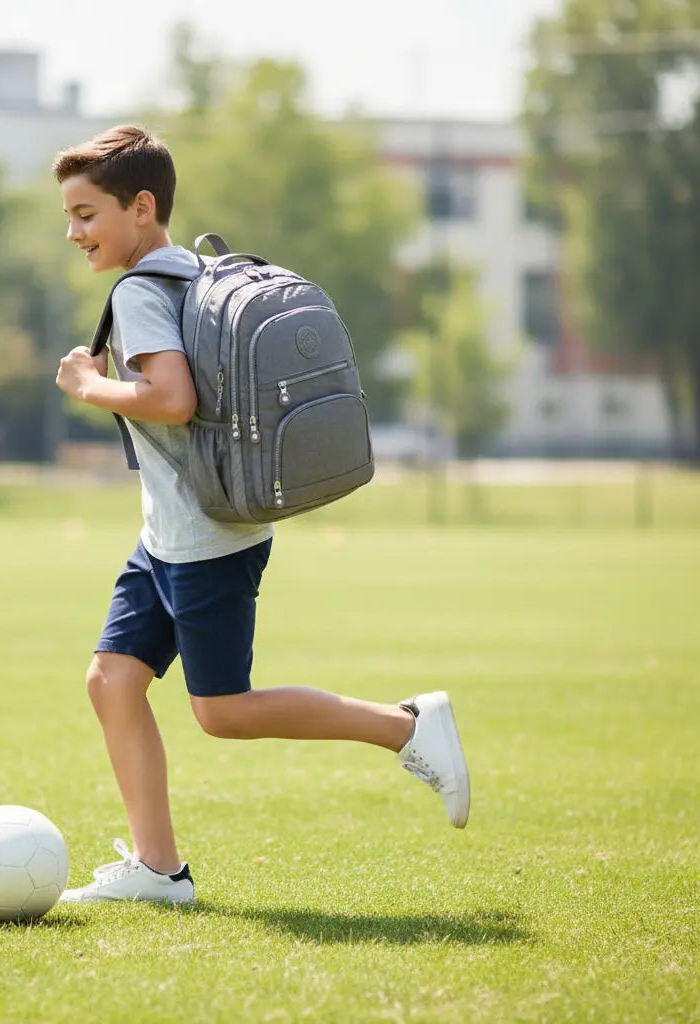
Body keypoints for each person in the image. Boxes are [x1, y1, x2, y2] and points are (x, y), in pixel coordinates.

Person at [52, 125, 469, 905]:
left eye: (85, 214)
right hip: (175, 533)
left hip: (202, 541)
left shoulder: (141, 289)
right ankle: (159, 870)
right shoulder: (193, 270)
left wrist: (87, 385)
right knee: (111, 680)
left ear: (141, 208)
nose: (73, 232)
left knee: (222, 712)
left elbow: (171, 400)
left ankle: (407, 726)